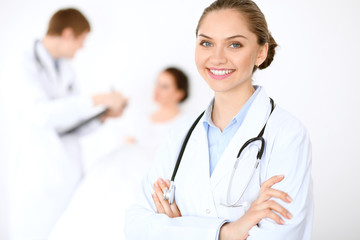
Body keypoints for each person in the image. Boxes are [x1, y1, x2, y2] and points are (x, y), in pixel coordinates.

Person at [125, 0, 313, 239]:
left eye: (234, 44)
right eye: (206, 43)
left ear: (261, 52)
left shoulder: (286, 133)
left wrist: (179, 229)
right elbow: (136, 225)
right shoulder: (179, 134)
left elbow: (281, 234)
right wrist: (227, 232)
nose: (216, 58)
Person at [1, 8, 126, 240]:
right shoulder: (23, 64)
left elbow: (70, 123)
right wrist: (97, 99)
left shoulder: (66, 69)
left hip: (66, 168)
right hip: (37, 172)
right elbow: (39, 115)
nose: (82, 47)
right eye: (81, 40)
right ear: (68, 34)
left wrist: (102, 116)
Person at [47, 67, 190, 240]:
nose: (157, 90)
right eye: (157, 84)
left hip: (149, 170)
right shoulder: (144, 116)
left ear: (179, 93)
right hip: (120, 162)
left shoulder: (184, 123)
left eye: (165, 86)